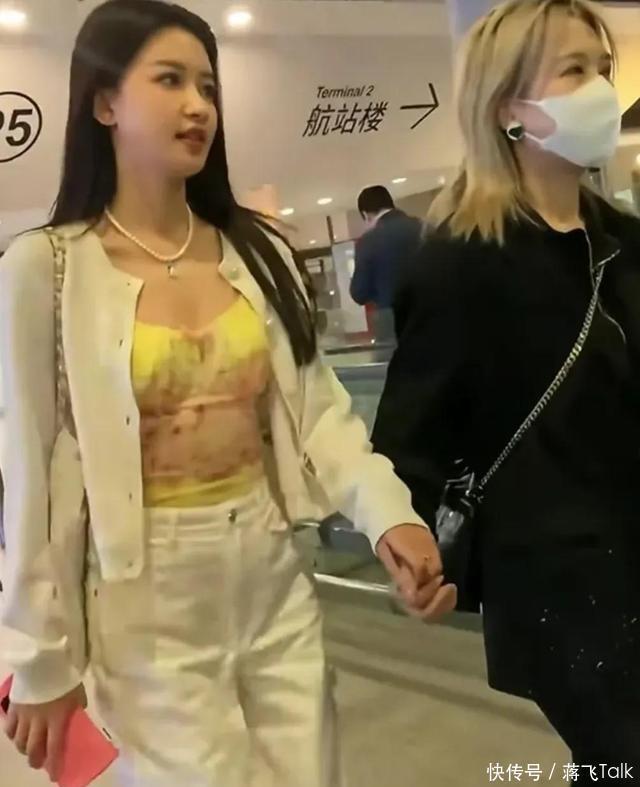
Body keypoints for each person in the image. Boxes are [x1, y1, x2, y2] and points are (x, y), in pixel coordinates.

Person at [0, 2, 457, 786]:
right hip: (146, 604)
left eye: (207, 87)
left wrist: (391, 514)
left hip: (274, 575)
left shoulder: (259, 248)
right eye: (170, 80)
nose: (198, 106)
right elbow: (28, 472)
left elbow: (319, 413)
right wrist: (38, 656)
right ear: (104, 103)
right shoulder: (46, 268)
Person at [372, 0, 640, 776]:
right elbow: (413, 433)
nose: (600, 89)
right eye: (572, 71)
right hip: (556, 581)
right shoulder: (461, 261)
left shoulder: (623, 244)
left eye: (602, 69)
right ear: (508, 108)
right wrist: (413, 550)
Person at [350, 186, 422, 342]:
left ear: (366, 214)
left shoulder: (369, 240)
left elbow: (359, 293)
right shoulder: (424, 227)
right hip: (433, 318)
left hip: (392, 328)